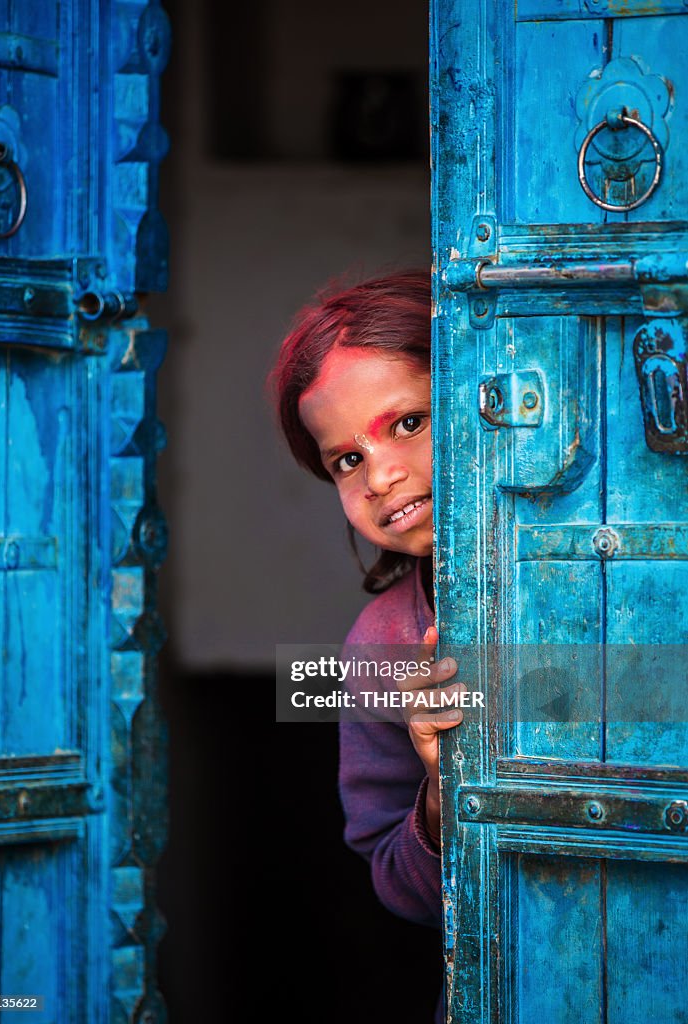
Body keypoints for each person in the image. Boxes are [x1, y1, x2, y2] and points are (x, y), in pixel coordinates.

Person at [270, 269, 464, 1021]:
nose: (380, 474)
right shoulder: (375, 648)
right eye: (346, 460)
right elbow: (398, 884)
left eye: (407, 423)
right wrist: (443, 796)